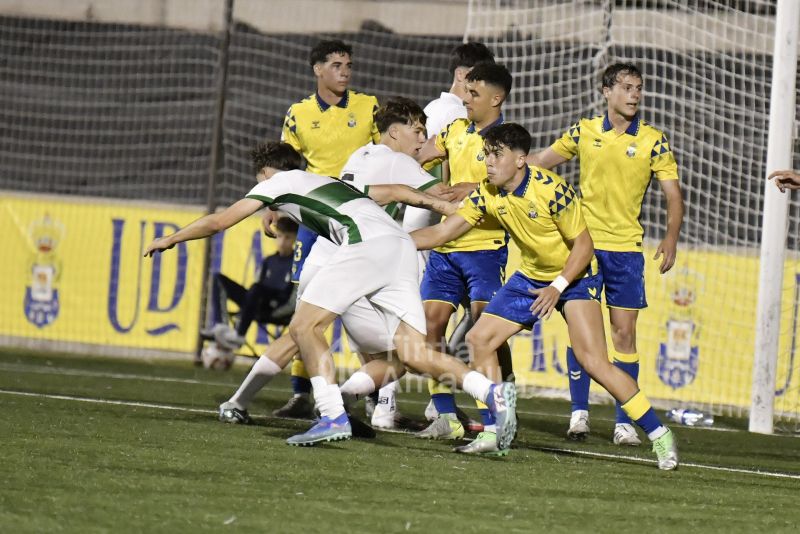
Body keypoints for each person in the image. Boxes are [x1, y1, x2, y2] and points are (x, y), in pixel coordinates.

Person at [144, 141, 518, 451]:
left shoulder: (274, 184)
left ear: (266, 176)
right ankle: (493, 394)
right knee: (411, 353)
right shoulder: (326, 180)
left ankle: (331, 414)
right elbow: (391, 193)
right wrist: (438, 205)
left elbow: (219, 221)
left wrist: (172, 237)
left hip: (365, 244)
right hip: (401, 247)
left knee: (305, 327)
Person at [411, 123, 678, 469]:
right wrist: (394, 239)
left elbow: (583, 246)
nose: (488, 162)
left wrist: (558, 287)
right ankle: (495, 431)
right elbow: (443, 230)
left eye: (497, 155)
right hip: (531, 276)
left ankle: (660, 435)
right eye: (487, 154)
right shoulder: (487, 193)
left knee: (593, 361)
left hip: (577, 276)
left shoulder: (551, 189)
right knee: (479, 339)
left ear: (521, 160)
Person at [219, 98, 449, 430]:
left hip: (325, 255)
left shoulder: (361, 155)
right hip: (356, 262)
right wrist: (485, 191)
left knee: (299, 335)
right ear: (395, 132)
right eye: (418, 131)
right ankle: (343, 406)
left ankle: (238, 402)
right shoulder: (399, 162)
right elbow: (445, 196)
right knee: (402, 356)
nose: (422, 139)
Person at [529, 63, 685, 445]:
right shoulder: (583, 131)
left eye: (639, 88)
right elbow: (539, 163)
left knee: (624, 333)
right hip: (585, 246)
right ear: (606, 92)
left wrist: (670, 238)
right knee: (582, 334)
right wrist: (499, 168)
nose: (635, 94)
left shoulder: (653, 140)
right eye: (627, 87)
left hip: (627, 249)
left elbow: (673, 195)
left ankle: (623, 422)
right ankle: (579, 415)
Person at [276, 39, 381, 419]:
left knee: (364, 307)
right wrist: (272, 206)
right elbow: (284, 166)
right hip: (313, 221)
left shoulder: (369, 106)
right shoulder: (299, 114)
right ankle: (301, 393)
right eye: (337, 65)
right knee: (307, 307)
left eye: (348, 65)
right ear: (317, 69)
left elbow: (386, 156)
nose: (346, 71)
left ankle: (375, 395)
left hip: (358, 221)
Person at [413, 62, 515, 441]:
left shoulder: (505, 141)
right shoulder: (454, 129)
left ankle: (501, 415)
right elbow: (419, 156)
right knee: (430, 331)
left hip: (484, 249)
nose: (465, 99)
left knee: (487, 336)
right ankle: (446, 416)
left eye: (473, 94)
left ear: (496, 98)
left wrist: (468, 186)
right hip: (445, 247)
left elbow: (511, 184)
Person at [203, 217, 298, 350]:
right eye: (280, 236)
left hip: (274, 309)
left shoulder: (297, 264)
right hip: (257, 304)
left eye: (287, 237)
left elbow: (293, 301)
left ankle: (239, 335)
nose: (282, 241)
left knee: (256, 289)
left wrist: (278, 313)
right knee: (218, 279)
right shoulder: (268, 261)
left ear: (295, 239)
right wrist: (247, 309)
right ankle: (221, 326)